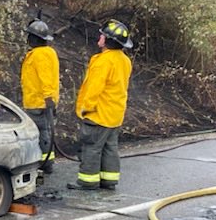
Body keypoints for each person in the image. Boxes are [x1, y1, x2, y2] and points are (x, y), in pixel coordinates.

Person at [68, 19, 133, 191]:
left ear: (108, 40)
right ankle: (109, 180)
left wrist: (85, 108)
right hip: (115, 114)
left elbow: (94, 87)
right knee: (110, 148)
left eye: (102, 35)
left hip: (98, 113)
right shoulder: (124, 60)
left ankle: (88, 181)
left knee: (92, 147)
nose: (100, 37)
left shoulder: (104, 61)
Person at [20, 19, 60, 173]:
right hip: (35, 101)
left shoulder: (40, 54)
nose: (28, 39)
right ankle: (45, 162)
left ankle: (45, 163)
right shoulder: (41, 53)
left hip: (39, 103)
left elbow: (46, 78)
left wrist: (49, 98)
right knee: (43, 132)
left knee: (42, 132)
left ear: (35, 38)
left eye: (30, 36)